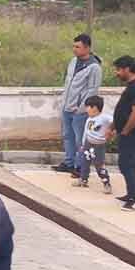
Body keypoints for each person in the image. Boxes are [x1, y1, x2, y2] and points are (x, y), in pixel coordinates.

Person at [53, 34, 103, 176]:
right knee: (67, 136)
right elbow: (68, 82)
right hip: (66, 106)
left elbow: (92, 90)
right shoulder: (73, 61)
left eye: (78, 47)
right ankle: (68, 163)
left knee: (80, 139)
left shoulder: (94, 67)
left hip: (80, 110)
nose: (74, 49)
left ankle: (80, 167)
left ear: (87, 48)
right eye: (73, 46)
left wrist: (81, 108)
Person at [111, 55, 135, 211]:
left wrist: (126, 131)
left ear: (127, 69)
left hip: (134, 132)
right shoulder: (132, 85)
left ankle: (133, 199)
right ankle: (131, 193)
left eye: (118, 69)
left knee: (126, 163)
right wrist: (113, 127)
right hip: (128, 132)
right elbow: (123, 110)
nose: (117, 73)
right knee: (129, 163)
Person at [71, 95, 114, 194]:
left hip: (99, 146)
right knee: (84, 162)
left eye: (88, 107)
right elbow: (86, 132)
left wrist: (111, 130)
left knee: (99, 165)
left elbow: (113, 121)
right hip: (88, 144)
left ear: (94, 107)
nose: (86, 109)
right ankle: (83, 179)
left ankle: (106, 183)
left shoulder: (104, 117)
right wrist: (82, 145)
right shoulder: (89, 119)